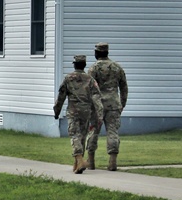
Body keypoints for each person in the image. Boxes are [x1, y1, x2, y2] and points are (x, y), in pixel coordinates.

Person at [53, 54, 105, 174]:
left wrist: (57, 111)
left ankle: (79, 160)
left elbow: (61, 97)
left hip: (73, 111)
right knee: (82, 135)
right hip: (86, 111)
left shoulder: (68, 78)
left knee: (74, 135)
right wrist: (99, 114)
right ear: (84, 65)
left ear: (75, 65)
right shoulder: (90, 80)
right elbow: (97, 97)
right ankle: (77, 165)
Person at [87, 42, 129, 171]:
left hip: (97, 104)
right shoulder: (117, 67)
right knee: (113, 132)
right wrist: (122, 104)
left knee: (93, 131)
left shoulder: (93, 68)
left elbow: (89, 88)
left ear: (97, 53)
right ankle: (112, 162)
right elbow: (124, 87)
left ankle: (90, 161)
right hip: (113, 104)